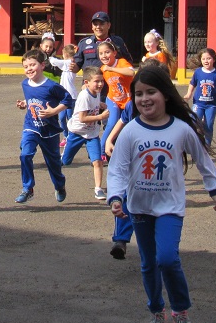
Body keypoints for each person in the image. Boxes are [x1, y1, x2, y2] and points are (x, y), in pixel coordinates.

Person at [107, 66, 216, 323]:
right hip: (139, 208)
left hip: (170, 207)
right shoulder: (131, 131)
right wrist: (115, 196)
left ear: (166, 95)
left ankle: (181, 313)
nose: (144, 99)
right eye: (138, 94)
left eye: (151, 92)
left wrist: (213, 190)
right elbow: (118, 169)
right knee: (148, 264)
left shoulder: (181, 129)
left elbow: (203, 160)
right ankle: (156, 311)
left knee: (168, 259)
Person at [14, 49, 73, 204]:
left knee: (53, 163)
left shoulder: (52, 86)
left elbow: (68, 101)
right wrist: (24, 104)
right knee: (25, 154)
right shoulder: (25, 84)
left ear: (42, 65)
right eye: (25, 66)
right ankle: (28, 188)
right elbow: (33, 99)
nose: (29, 69)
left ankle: (60, 186)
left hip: (49, 130)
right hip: (31, 126)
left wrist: (54, 111)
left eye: (32, 65)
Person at [99, 39, 136, 257]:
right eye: (101, 53)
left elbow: (130, 71)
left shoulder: (120, 64)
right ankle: (120, 241)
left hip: (150, 165)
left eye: (107, 52)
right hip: (117, 102)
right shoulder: (134, 106)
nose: (104, 56)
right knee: (124, 196)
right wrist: (109, 139)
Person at [59, 67, 109, 198]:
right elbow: (82, 118)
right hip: (77, 132)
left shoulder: (96, 92)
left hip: (92, 134)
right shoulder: (84, 97)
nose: (100, 84)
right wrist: (100, 117)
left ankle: (98, 188)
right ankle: (59, 164)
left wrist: (101, 104)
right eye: (97, 81)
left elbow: (94, 103)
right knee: (66, 161)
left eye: (102, 81)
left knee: (97, 161)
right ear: (86, 83)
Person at [184, 47, 216, 147]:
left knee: (209, 125)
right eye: (204, 59)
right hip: (198, 103)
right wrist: (189, 94)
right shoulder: (198, 72)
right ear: (200, 60)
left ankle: (207, 145)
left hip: (211, 105)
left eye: (209, 58)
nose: (206, 61)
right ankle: (195, 142)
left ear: (214, 59)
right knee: (194, 121)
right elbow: (192, 83)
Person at [49, 42, 79, 146]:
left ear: (65, 54)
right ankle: (66, 136)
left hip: (71, 96)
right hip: (62, 96)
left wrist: (48, 55)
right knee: (62, 118)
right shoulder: (66, 64)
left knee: (70, 117)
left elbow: (53, 61)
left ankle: (72, 136)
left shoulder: (68, 63)